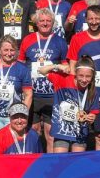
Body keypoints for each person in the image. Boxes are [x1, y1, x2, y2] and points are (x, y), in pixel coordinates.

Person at [66, 5, 100, 147]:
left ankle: (98, 166)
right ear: (86, 19)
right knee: (77, 133)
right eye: (91, 19)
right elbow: (72, 65)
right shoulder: (77, 38)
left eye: (97, 19)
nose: (94, 22)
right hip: (81, 93)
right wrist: (73, 90)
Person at [18, 8, 68, 151]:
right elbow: (21, 65)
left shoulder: (60, 42)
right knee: (33, 132)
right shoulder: (28, 39)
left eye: (48, 21)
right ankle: (33, 163)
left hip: (52, 95)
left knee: (50, 134)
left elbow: (65, 66)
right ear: (36, 23)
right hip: (31, 94)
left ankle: (50, 166)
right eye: (42, 21)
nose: (45, 23)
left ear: (53, 23)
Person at [38, 57, 100, 153]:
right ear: (75, 73)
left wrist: (91, 117)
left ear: (93, 76)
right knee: (60, 162)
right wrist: (58, 66)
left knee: (76, 164)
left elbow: (93, 113)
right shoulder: (63, 79)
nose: (84, 80)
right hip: (61, 131)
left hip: (79, 132)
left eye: (88, 76)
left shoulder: (93, 91)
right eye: (81, 75)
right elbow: (41, 70)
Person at [0, 35, 32, 138]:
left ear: (16, 51)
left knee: (13, 144)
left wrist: (22, 114)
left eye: (12, 50)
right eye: (6, 50)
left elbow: (28, 95)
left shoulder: (22, 69)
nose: (9, 54)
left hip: (13, 116)